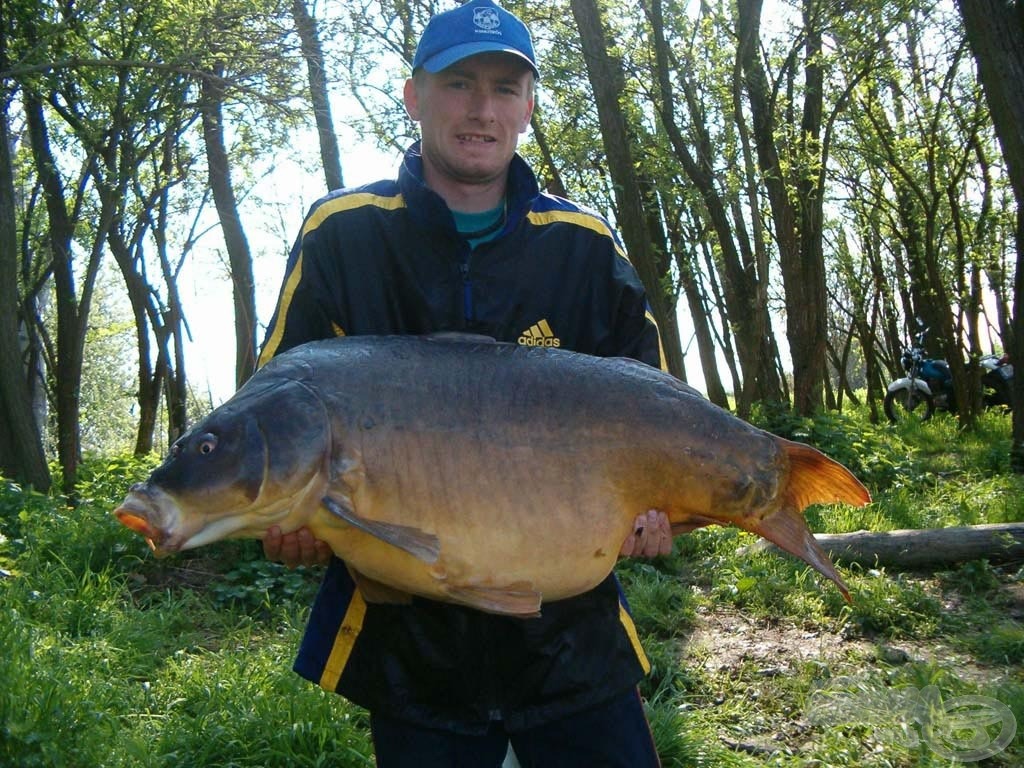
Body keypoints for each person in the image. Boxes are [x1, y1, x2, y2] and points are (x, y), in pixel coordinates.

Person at [258, 1, 672, 764]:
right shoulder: (341, 234)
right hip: (410, 652)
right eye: (458, 84)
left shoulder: (582, 245)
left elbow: (652, 406)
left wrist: (654, 502)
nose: (482, 109)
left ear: (529, 107)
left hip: (571, 641)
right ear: (414, 96)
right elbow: (275, 414)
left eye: (504, 89)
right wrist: (288, 518)